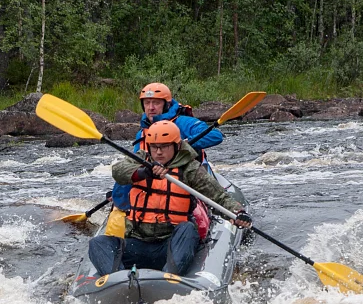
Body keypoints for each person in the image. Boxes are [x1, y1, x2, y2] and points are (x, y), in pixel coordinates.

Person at [89, 120, 251, 276]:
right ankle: (118, 281)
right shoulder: (140, 160)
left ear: (177, 146)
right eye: (154, 147)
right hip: (138, 244)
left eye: (164, 147)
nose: (158, 152)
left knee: (188, 229)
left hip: (171, 245)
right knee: (97, 243)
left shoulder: (190, 168)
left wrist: (237, 213)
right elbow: (118, 171)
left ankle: (169, 277)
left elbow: (218, 197)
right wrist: (143, 172)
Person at [109, 82, 224, 214]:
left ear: (166, 104)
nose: (151, 107)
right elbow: (133, 165)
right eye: (147, 103)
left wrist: (183, 144)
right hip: (156, 179)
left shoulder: (183, 122)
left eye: (156, 103)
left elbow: (216, 135)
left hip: (186, 176)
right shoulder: (142, 133)